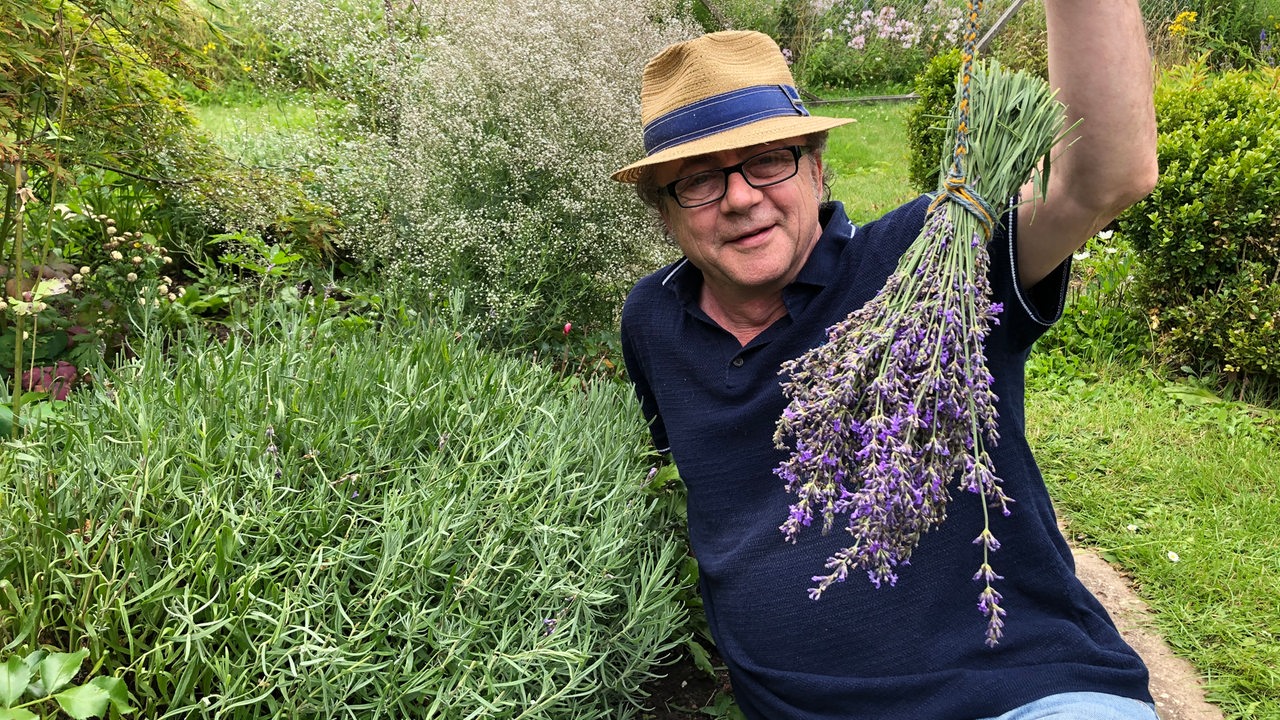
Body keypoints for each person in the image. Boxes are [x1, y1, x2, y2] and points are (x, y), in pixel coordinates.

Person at [612, 2, 1160, 718]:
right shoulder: (651, 319)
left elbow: (1104, 178)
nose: (741, 198)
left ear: (816, 169)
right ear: (665, 211)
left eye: (768, 160)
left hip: (1021, 694)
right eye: (698, 180)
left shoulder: (927, 259)